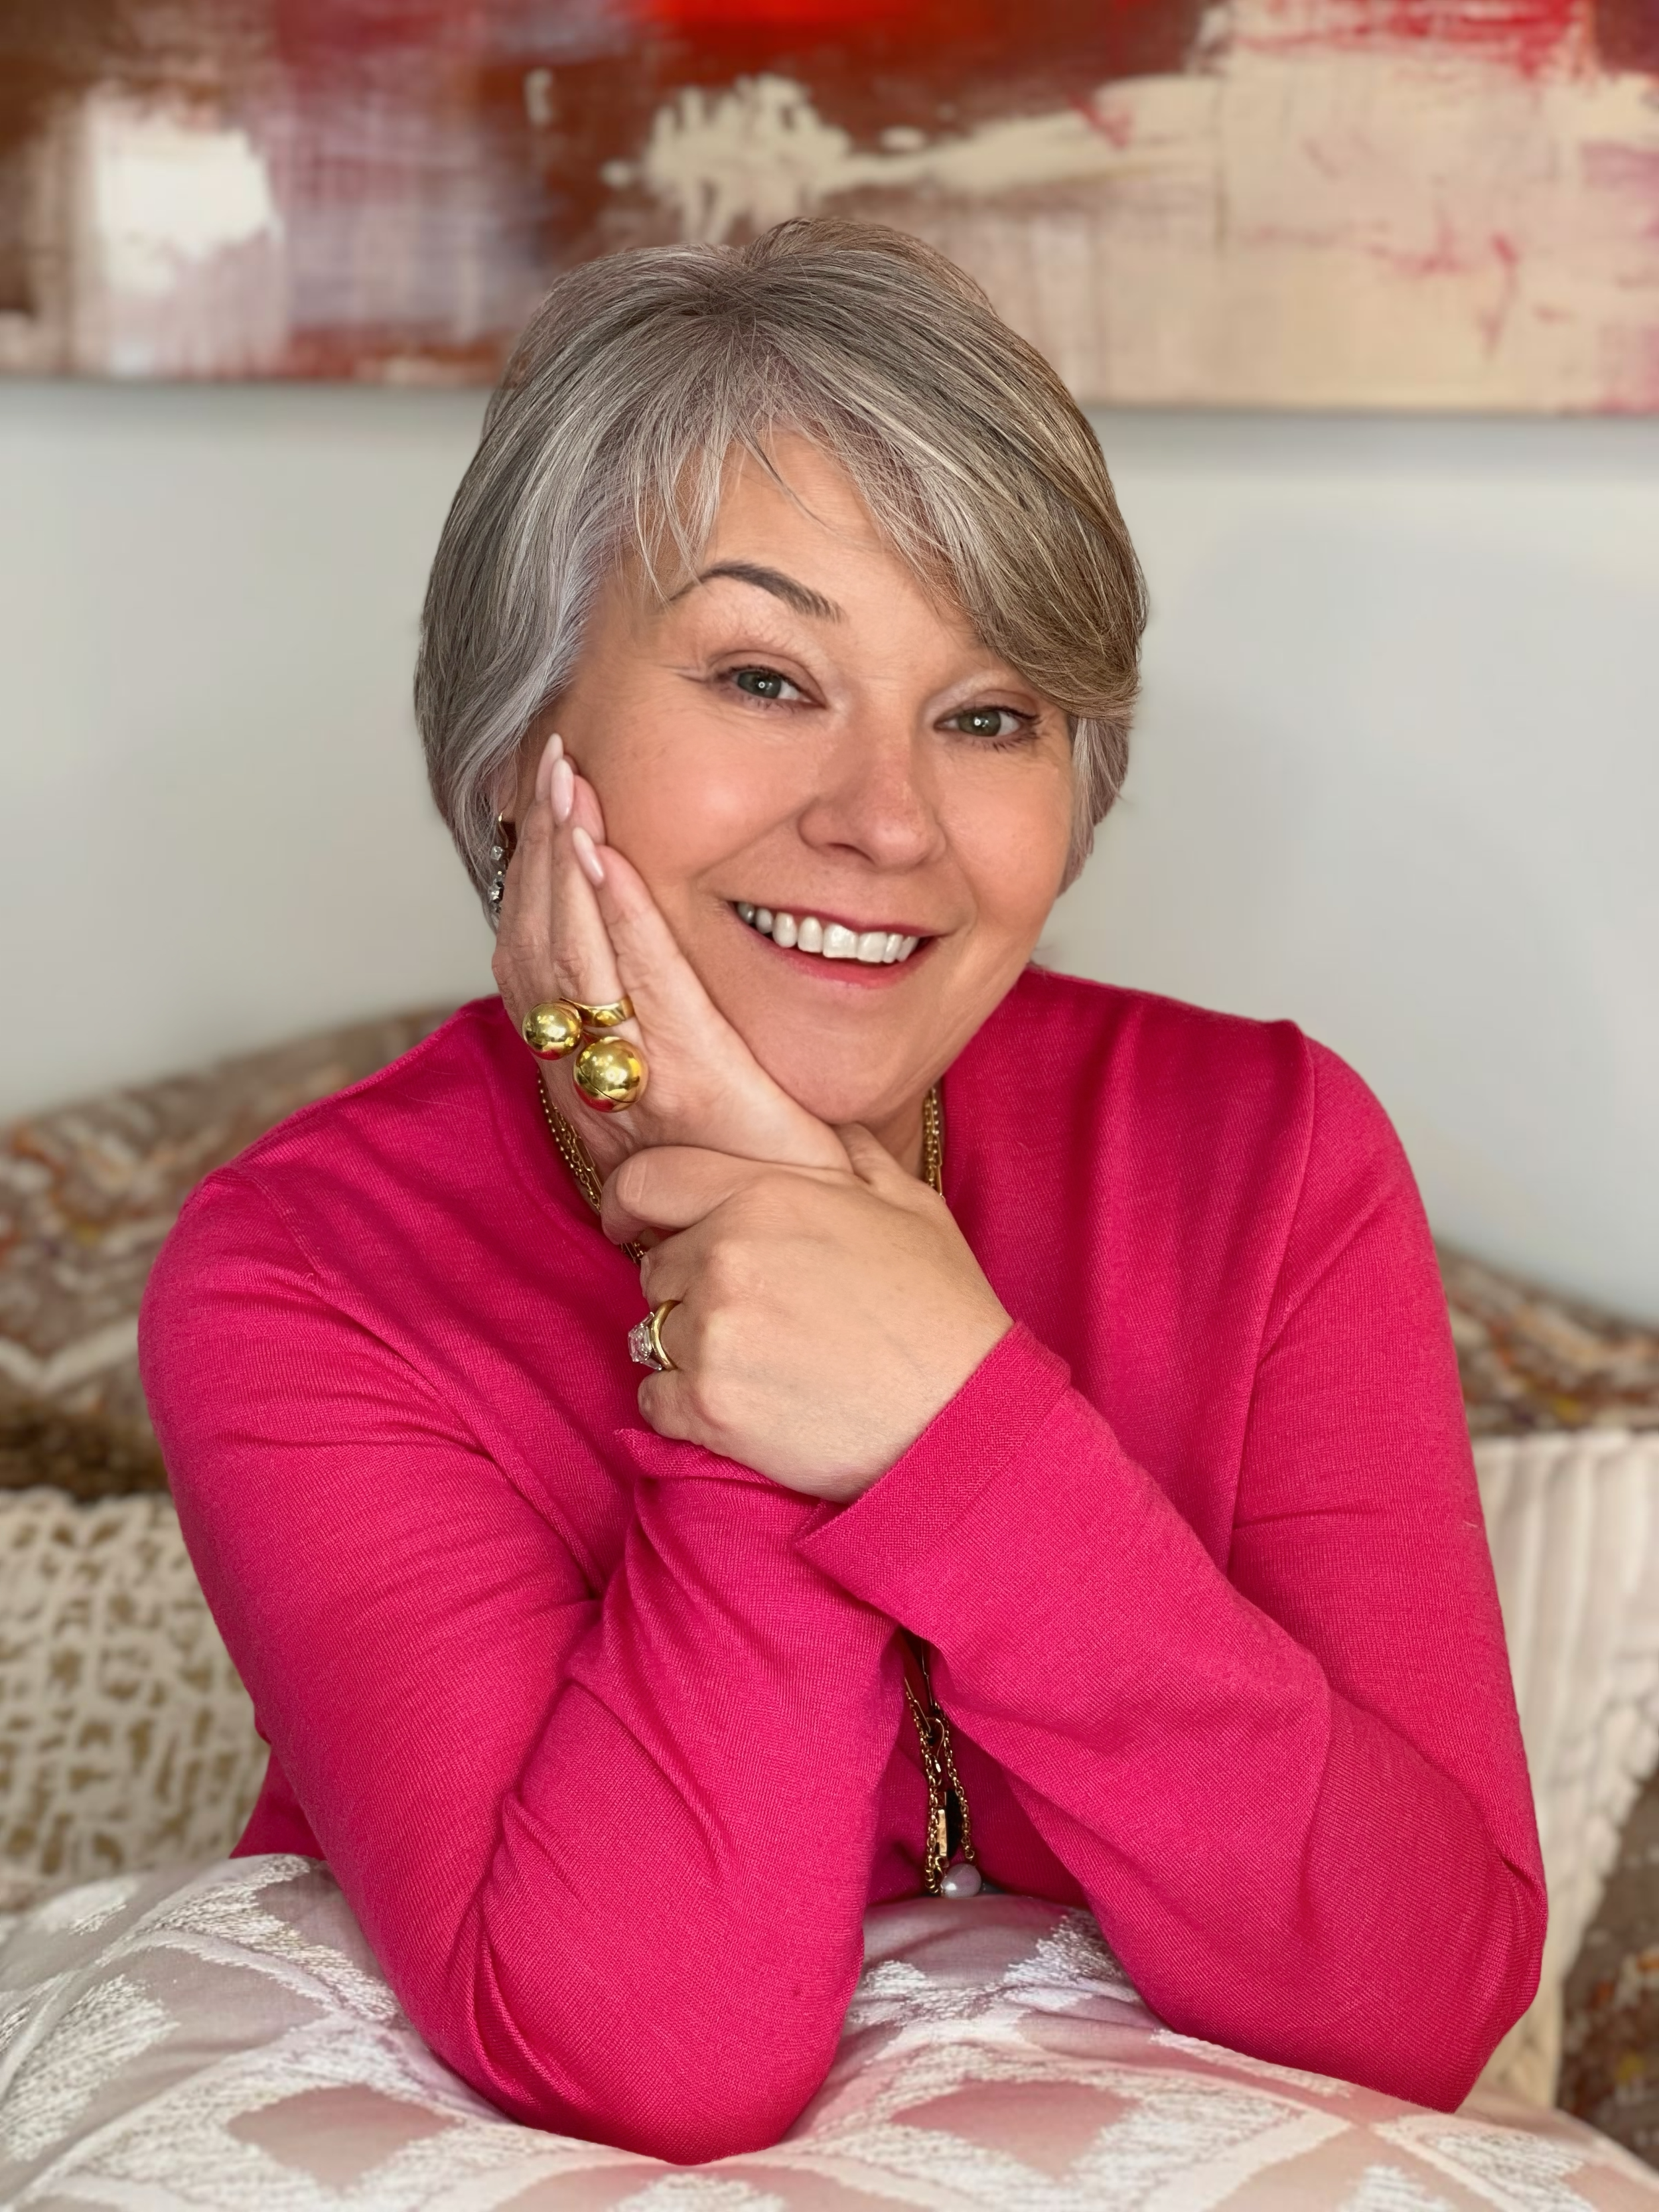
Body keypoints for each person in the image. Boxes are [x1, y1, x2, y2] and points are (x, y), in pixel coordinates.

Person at [139, 218, 1545, 2166]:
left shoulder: (1263, 1153)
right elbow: (646, 2054)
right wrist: (732, 1251)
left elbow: (1419, 1996)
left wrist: (956, 1425)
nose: (887, 819)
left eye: (988, 716)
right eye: (762, 676)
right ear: (524, 745)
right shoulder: (304, 1274)